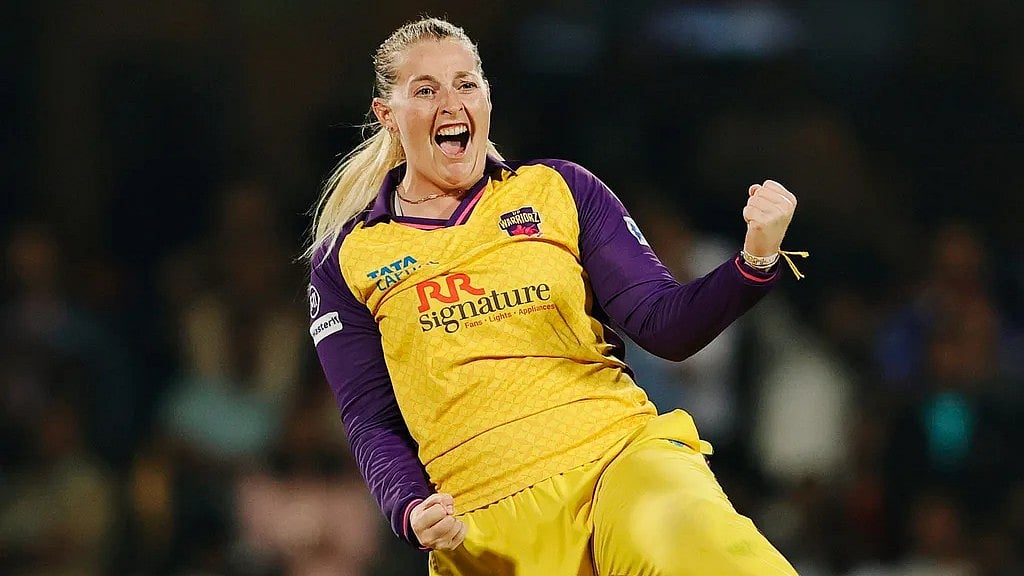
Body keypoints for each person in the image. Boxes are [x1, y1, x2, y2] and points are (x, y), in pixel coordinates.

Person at [307, 16, 801, 576]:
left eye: (466, 84)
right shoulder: (346, 260)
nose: (452, 103)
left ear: (487, 97)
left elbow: (666, 325)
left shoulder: (559, 189)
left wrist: (753, 260)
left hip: (618, 463)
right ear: (387, 116)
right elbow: (371, 420)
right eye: (426, 90)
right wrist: (410, 507)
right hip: (483, 525)